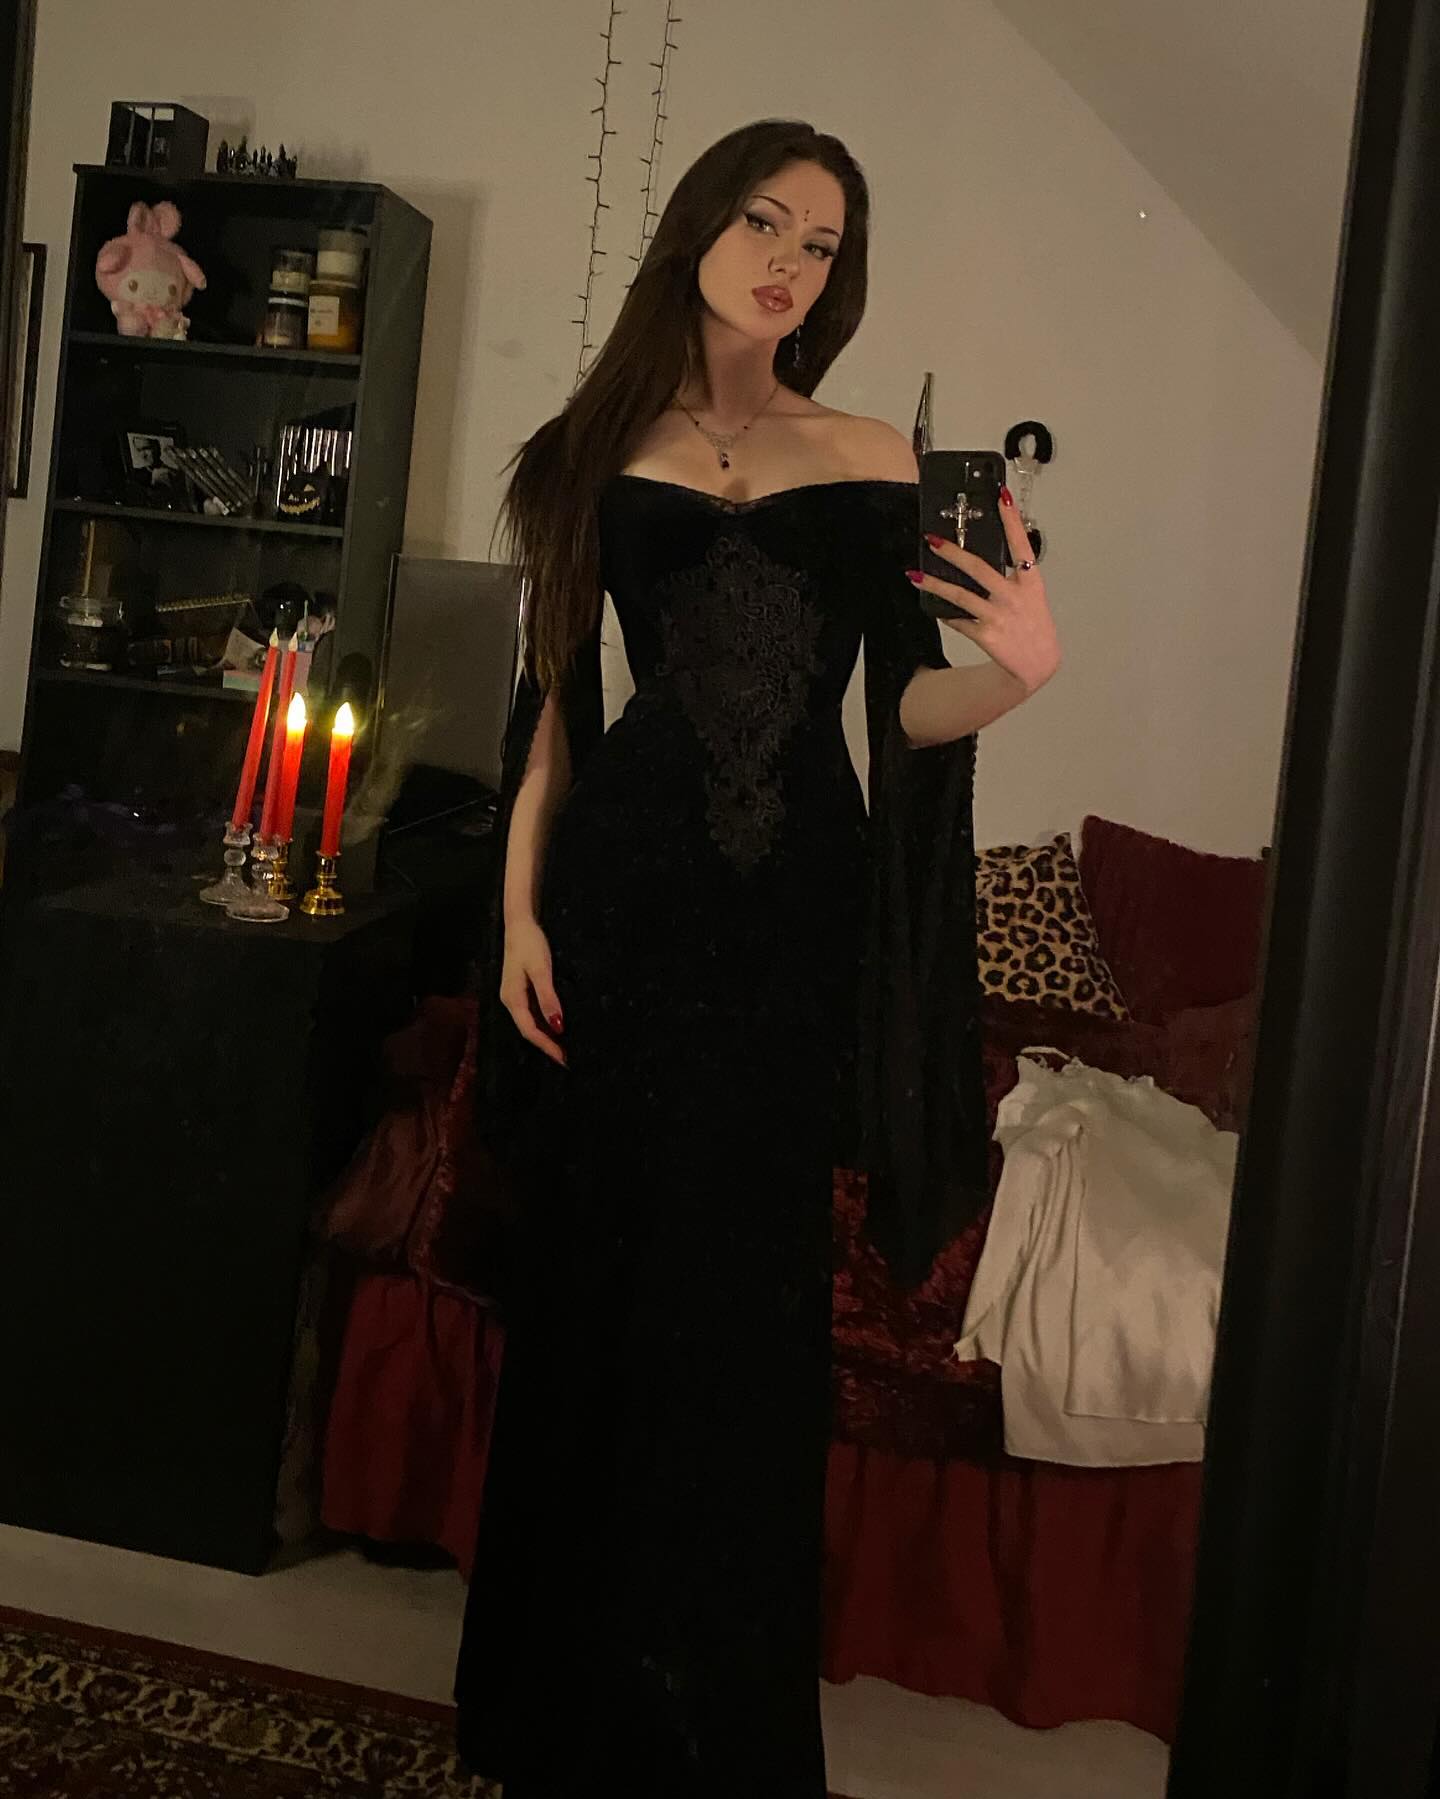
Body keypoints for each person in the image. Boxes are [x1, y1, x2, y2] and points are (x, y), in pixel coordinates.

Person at [453, 117, 1060, 1797]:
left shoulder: (869, 453)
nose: (791, 259)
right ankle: (572, 1719)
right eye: (766, 221)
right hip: (619, 911)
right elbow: (556, 709)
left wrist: (1022, 669)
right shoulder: (589, 451)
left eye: (822, 242)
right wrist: (518, 917)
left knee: (746, 1320)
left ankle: (715, 1735)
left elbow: (908, 708)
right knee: (602, 1292)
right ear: (699, 226)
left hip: (793, 923)